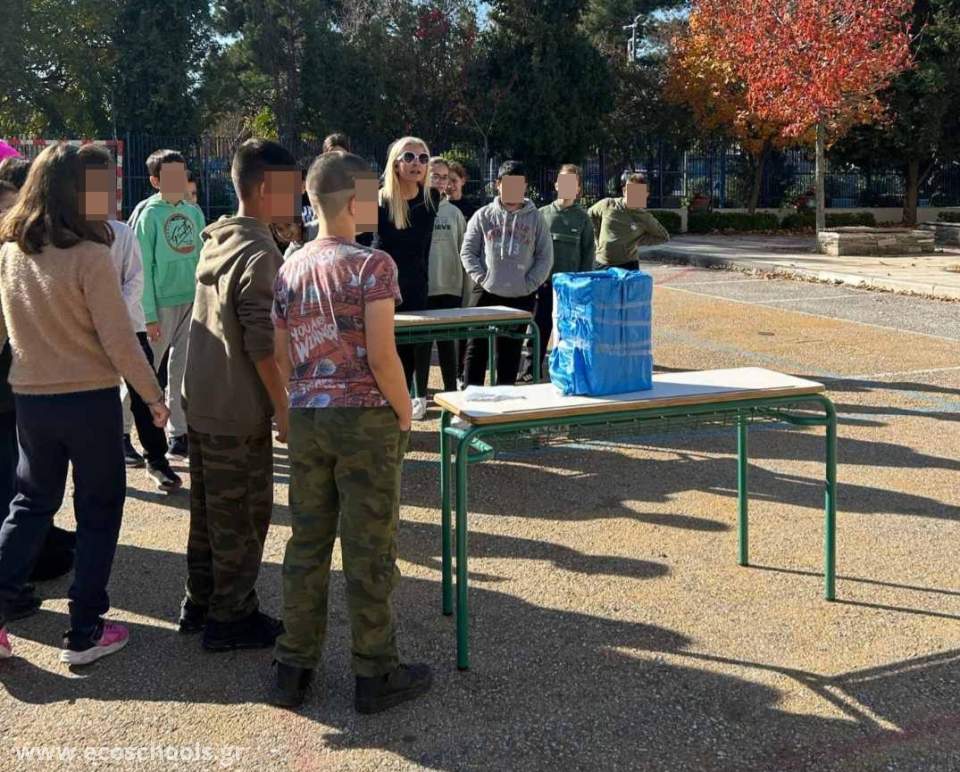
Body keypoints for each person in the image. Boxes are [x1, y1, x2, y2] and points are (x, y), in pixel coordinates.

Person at [269, 150, 432, 713]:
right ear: (357, 201)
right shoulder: (372, 266)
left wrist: (296, 405)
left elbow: (282, 354)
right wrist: (404, 412)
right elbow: (383, 355)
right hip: (364, 419)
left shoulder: (290, 267)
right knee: (369, 548)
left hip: (308, 415)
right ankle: (375, 671)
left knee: (307, 542)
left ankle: (293, 666)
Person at [0, 143, 168, 665]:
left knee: (30, 504)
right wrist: (153, 396)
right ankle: (85, 628)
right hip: (89, 400)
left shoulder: (10, 252)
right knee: (98, 510)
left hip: (30, 398)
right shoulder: (91, 254)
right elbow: (120, 340)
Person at [177, 139, 295, 651]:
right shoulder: (260, 252)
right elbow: (261, 346)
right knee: (244, 516)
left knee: (208, 512)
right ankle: (231, 616)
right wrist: (284, 408)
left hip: (203, 399)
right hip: (236, 407)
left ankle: (200, 600)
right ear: (267, 188)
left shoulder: (219, 237)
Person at [77, 145, 181, 492]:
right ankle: (97, 465)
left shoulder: (122, 232)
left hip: (128, 328)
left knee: (144, 393)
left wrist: (110, 316)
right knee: (92, 402)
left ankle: (157, 460)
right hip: (85, 333)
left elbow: (135, 280)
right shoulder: (69, 236)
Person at [133, 149, 206, 458]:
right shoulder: (148, 215)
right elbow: (141, 269)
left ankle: (179, 432)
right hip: (159, 307)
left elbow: (203, 257)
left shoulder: (194, 212)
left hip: (191, 301)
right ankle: (123, 431)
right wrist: (148, 314)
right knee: (144, 372)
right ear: (155, 181)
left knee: (182, 371)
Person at [460, 160, 553, 387]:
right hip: (486, 292)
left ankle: (504, 401)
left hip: (521, 294)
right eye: (508, 183)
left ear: (525, 186)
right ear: (498, 184)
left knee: (510, 352)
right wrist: (482, 277)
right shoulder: (483, 215)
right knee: (476, 348)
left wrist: (529, 284)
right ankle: (471, 397)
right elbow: (468, 251)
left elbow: (545, 257)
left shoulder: (536, 219)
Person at [371, 137, 440, 420]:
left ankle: (405, 414)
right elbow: (358, 245)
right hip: (379, 289)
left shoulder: (432, 198)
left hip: (415, 287)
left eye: (423, 158)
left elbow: (424, 249)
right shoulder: (373, 197)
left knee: (410, 353)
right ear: (395, 163)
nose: (417, 164)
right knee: (382, 356)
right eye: (409, 157)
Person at [519, 164, 595, 382]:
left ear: (578, 189)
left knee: (569, 331)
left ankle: (566, 370)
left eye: (572, 183)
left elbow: (587, 254)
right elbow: (531, 250)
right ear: (556, 185)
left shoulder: (583, 219)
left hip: (570, 286)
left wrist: (582, 285)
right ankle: (530, 370)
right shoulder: (541, 214)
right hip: (544, 284)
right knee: (539, 328)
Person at [425, 157, 466, 392]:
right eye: (436, 176)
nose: (441, 182)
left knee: (448, 343)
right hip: (423, 287)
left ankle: (451, 392)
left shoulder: (454, 213)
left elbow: (464, 252)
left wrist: (465, 290)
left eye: (445, 177)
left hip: (449, 288)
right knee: (421, 346)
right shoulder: (411, 208)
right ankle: (418, 396)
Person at [589, 171, 670, 270]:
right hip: (602, 263)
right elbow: (590, 215)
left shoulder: (645, 217)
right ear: (624, 191)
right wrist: (596, 235)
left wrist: (638, 241)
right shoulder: (608, 204)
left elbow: (663, 237)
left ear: (646, 195)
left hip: (628, 265)